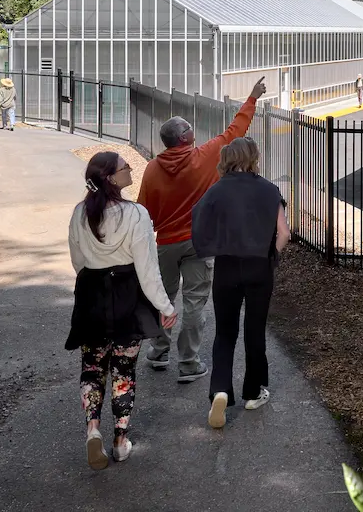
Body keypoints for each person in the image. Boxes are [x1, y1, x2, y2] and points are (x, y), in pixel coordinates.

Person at [137, 77, 267, 383]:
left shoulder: (153, 169)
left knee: (164, 297)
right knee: (195, 300)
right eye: (190, 130)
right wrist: (252, 97)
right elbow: (236, 130)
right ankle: (189, 362)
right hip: (199, 242)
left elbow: (144, 213)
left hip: (165, 243)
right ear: (186, 138)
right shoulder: (204, 157)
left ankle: (158, 350)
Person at [66, 152, 177, 469]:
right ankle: (120, 440)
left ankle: (92, 430)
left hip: (91, 295)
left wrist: (92, 280)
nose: (130, 169)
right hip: (127, 295)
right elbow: (147, 269)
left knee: (92, 367)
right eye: (124, 167)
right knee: (123, 372)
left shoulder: (79, 213)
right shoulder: (136, 215)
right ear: (111, 178)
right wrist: (164, 306)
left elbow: (77, 261)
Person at [192, 137, 290, 428]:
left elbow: (197, 220)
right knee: (255, 330)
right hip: (260, 267)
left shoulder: (216, 191)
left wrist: (211, 248)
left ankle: (221, 389)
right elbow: (284, 233)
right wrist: (271, 255)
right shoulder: (269, 190)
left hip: (226, 267)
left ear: (225, 159)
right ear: (254, 157)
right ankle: (252, 391)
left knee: (225, 332)